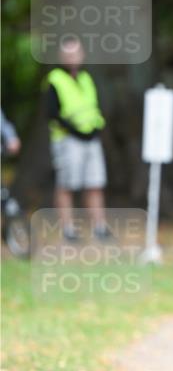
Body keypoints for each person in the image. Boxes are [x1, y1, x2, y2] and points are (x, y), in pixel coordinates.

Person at [44, 36, 110, 241]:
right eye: (68, 53)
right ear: (61, 56)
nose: (72, 57)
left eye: (76, 52)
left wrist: (95, 129)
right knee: (67, 185)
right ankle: (68, 230)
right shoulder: (55, 79)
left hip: (91, 139)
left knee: (95, 182)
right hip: (68, 141)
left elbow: (94, 107)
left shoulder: (85, 78)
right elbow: (52, 113)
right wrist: (75, 131)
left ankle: (100, 227)